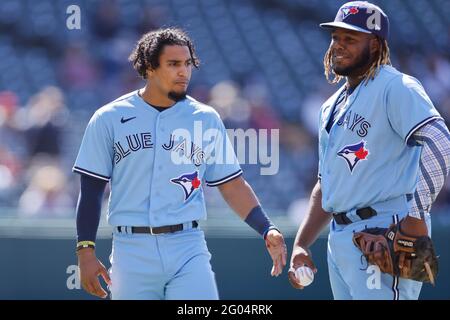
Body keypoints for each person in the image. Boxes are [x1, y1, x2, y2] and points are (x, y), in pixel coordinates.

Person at [73, 27, 287, 300]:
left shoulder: (205, 118)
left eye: (187, 64)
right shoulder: (108, 118)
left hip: (188, 246)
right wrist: (86, 251)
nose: (183, 72)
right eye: (173, 64)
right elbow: (91, 190)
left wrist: (267, 228)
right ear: (149, 68)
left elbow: (231, 184)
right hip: (130, 249)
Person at [288, 1, 450, 300]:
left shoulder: (396, 86)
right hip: (340, 239)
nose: (338, 45)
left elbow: (440, 141)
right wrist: (302, 243)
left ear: (375, 44)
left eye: (351, 39)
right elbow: (327, 184)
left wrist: (416, 216)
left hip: (384, 228)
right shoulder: (330, 105)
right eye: (336, 37)